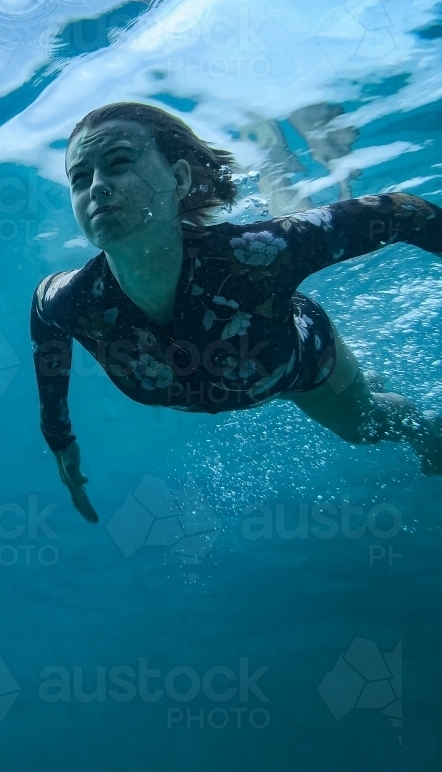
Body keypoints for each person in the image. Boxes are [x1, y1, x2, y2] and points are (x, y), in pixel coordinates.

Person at [30, 102, 442, 523]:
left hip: (298, 365)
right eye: (80, 178)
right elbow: (42, 322)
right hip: (246, 372)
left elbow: (404, 213)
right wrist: (59, 436)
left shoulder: (258, 255)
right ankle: (357, 381)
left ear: (179, 178)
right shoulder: (72, 299)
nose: (97, 186)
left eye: (118, 163)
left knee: (364, 428)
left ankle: (418, 421)